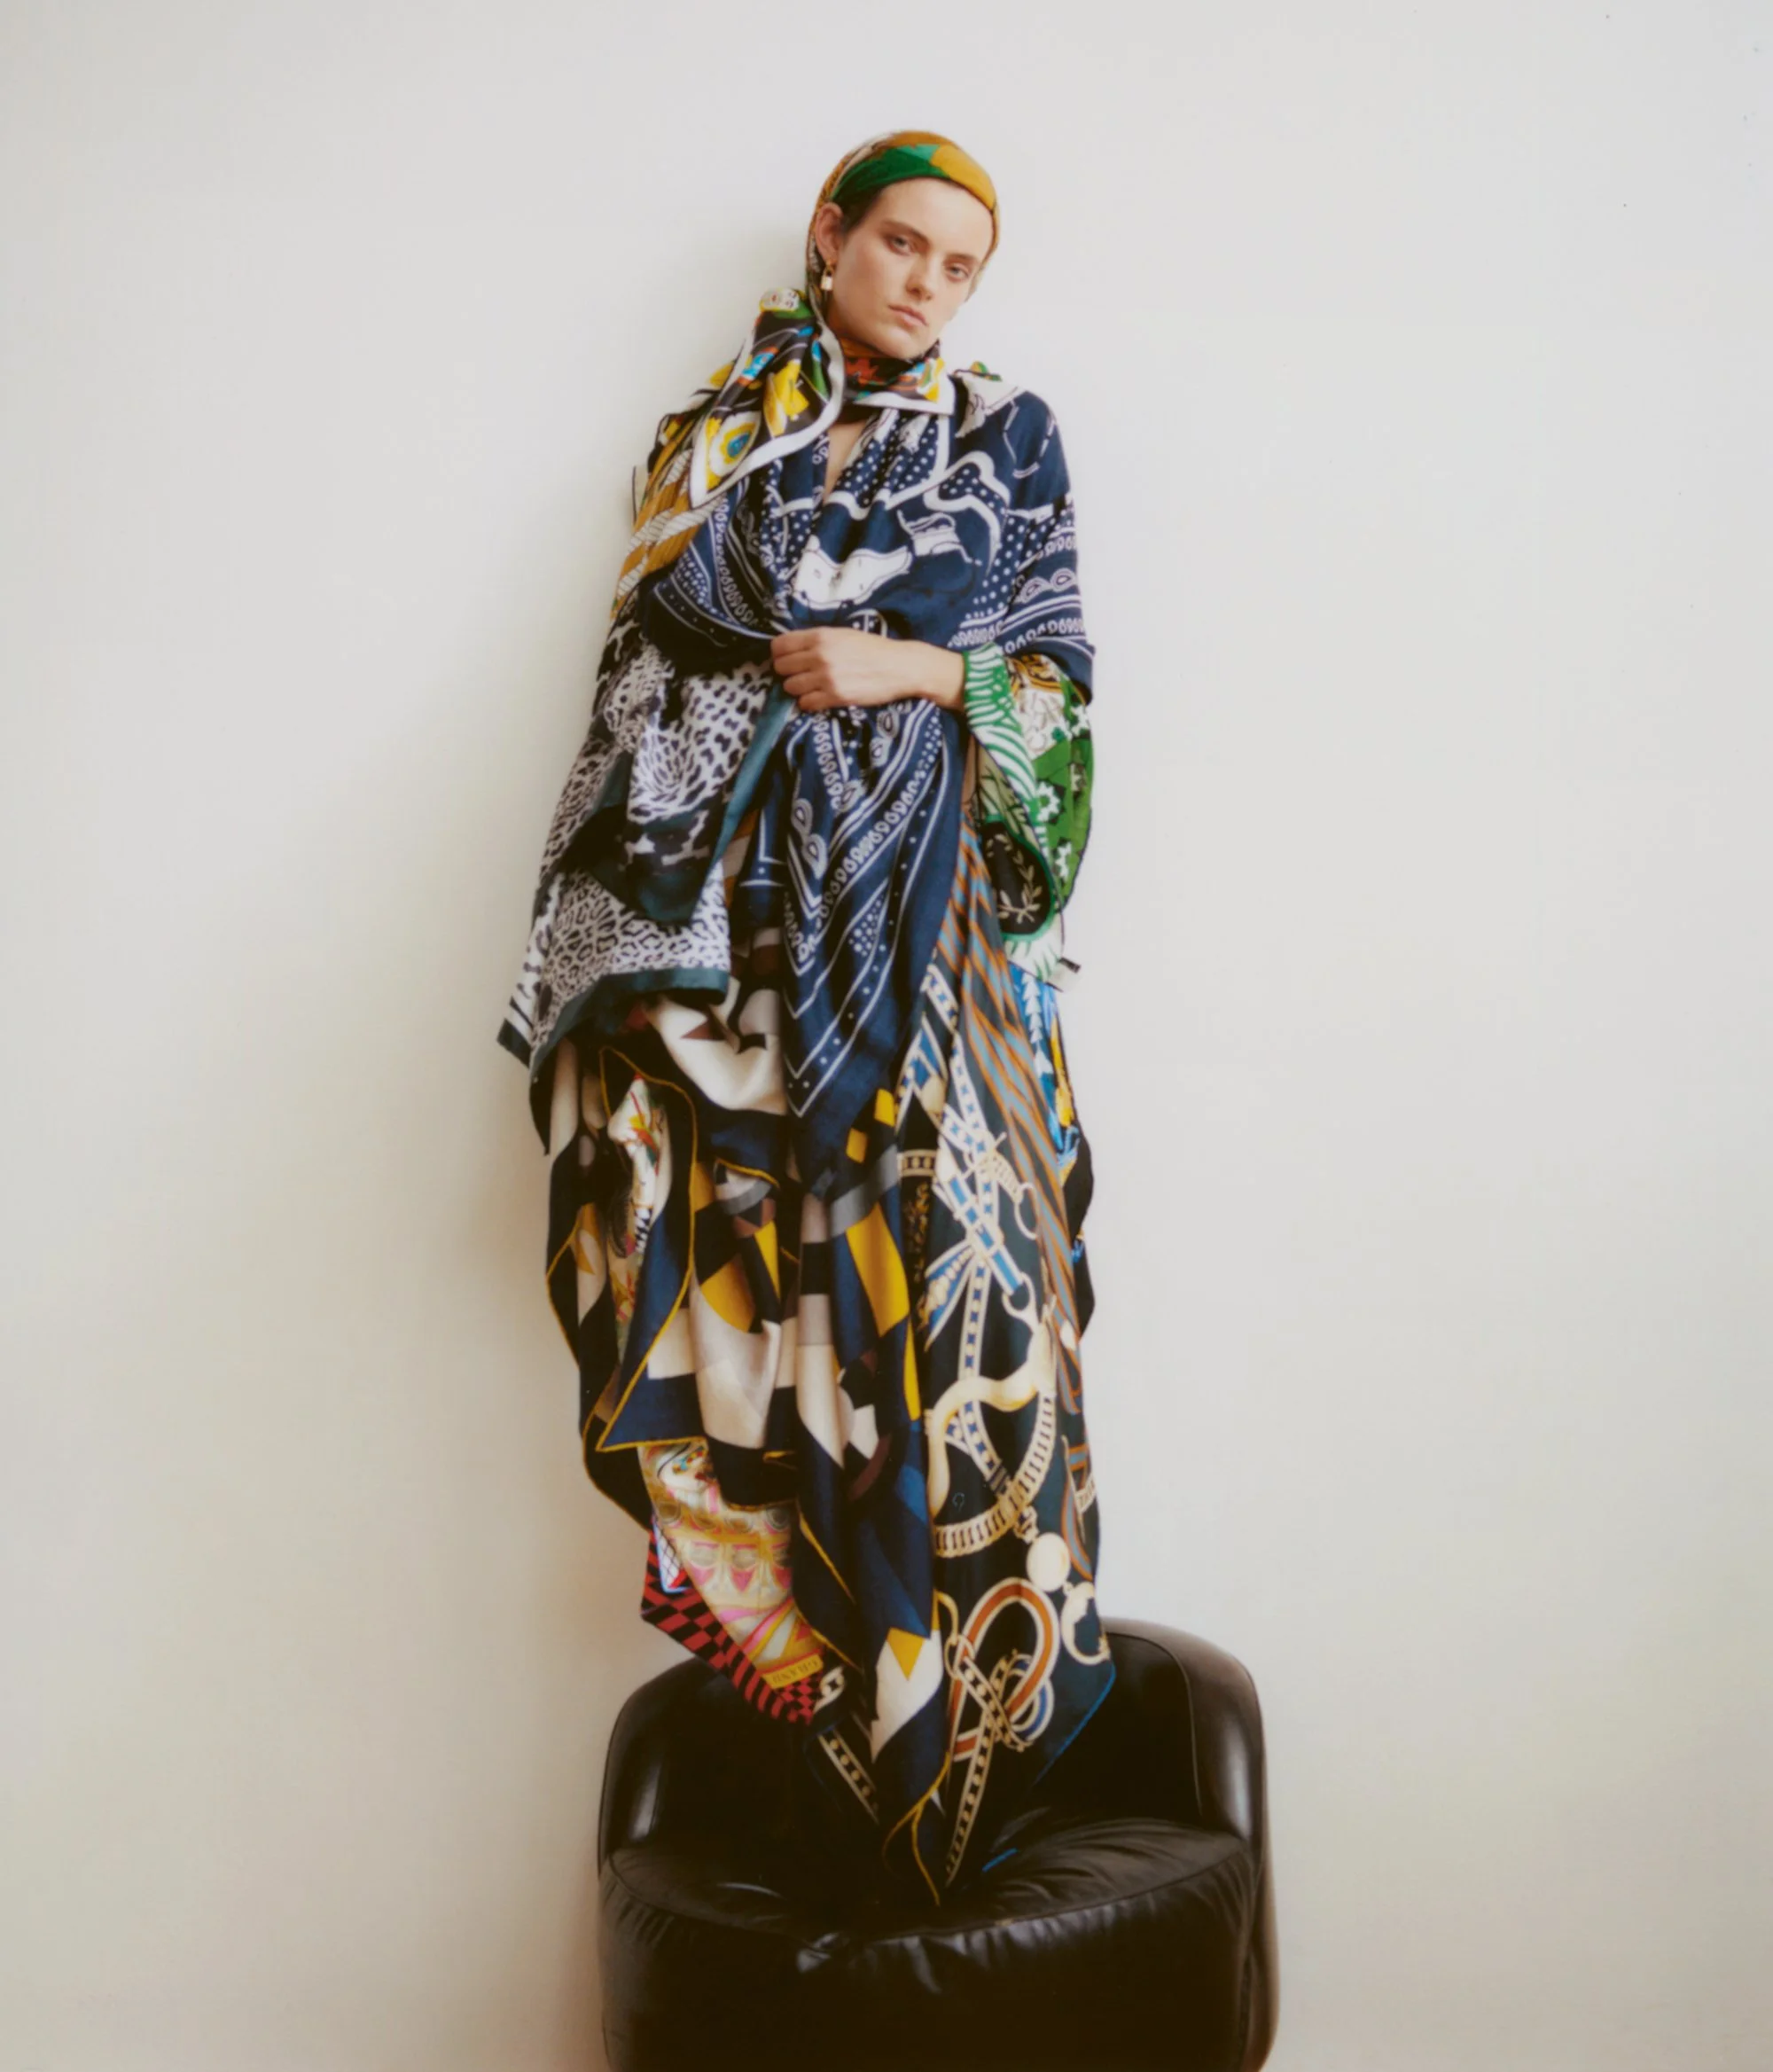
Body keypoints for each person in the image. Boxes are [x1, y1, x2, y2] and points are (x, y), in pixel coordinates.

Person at [496, 129, 1110, 1906]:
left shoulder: (1006, 437)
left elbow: (1058, 699)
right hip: (726, 951)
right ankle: (799, 1697)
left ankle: (957, 1730)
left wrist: (905, 665)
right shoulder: (708, 442)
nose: (926, 284)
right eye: (903, 244)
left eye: (960, 265)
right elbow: (642, 680)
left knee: (979, 1299)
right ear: (833, 235)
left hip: (934, 963)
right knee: (736, 1287)